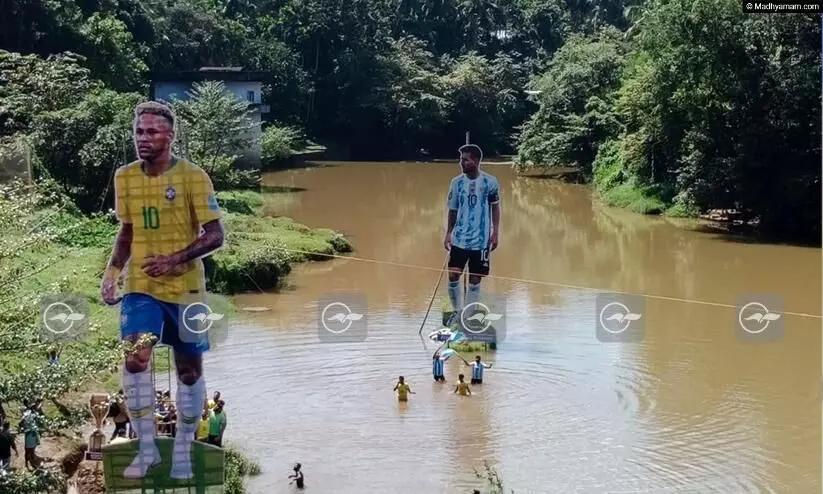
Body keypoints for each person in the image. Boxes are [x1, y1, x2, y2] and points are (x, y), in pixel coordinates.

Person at [100, 101, 226, 479]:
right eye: (139, 132)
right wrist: (112, 272)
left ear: (170, 136)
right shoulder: (124, 177)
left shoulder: (193, 177)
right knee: (136, 356)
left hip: (186, 289)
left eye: (152, 132)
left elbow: (216, 235)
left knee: (188, 371)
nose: (144, 138)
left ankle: (185, 449)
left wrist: (174, 259)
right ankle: (148, 448)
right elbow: (127, 230)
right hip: (141, 286)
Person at [443, 144, 501, 328]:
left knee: (475, 278)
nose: (462, 163)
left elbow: (495, 207)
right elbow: (452, 209)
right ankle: (456, 311)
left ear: (476, 161)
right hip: (460, 237)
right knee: (453, 274)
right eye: (461, 159)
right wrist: (448, 233)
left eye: (465, 159)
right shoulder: (456, 182)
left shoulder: (490, 182)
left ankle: (468, 315)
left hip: (481, 240)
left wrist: (495, 232)